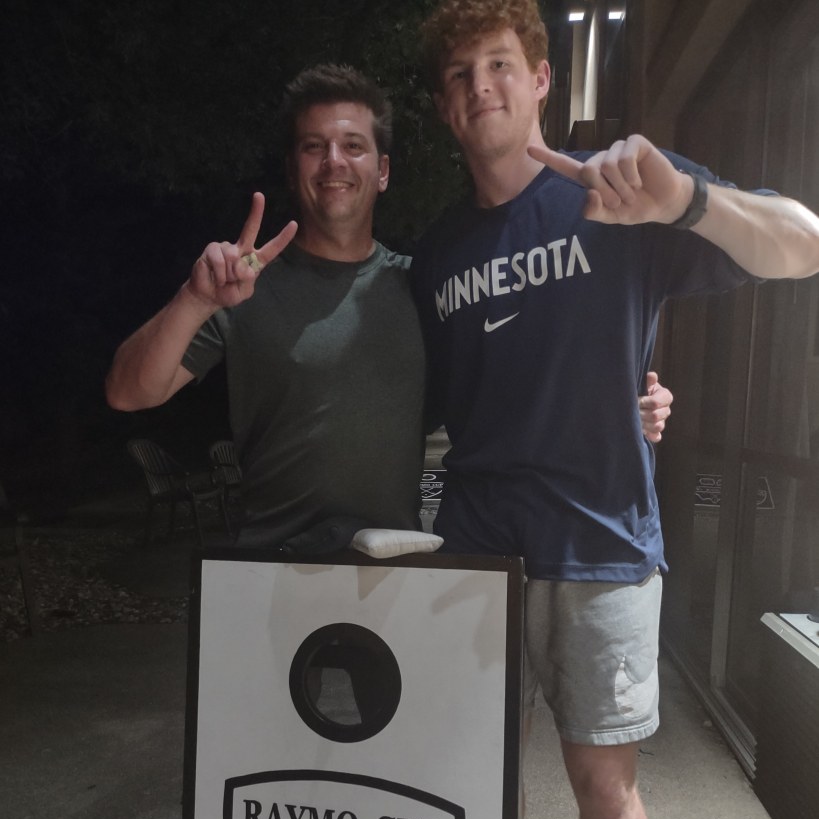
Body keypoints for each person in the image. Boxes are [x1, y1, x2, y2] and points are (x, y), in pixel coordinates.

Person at [410, 2, 819, 819]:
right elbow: (437, 406)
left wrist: (686, 200)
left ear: (541, 80)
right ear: (444, 107)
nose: (480, 87)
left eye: (499, 64)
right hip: (477, 559)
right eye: (459, 75)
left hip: (600, 546)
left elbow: (802, 245)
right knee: (465, 775)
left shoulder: (618, 195)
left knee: (605, 785)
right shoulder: (437, 255)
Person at [106, 63, 671, 548]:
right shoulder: (242, 290)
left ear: (381, 172)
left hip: (392, 577)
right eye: (313, 147)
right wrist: (194, 300)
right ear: (294, 169)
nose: (334, 161)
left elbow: (508, 382)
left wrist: (619, 404)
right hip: (269, 569)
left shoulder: (422, 285)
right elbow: (128, 392)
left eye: (353, 146)